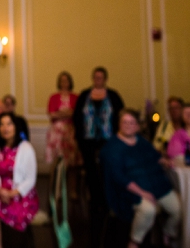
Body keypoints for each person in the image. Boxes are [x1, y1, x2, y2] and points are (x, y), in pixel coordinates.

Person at [102, 109, 180, 248]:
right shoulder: (112, 147)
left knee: (178, 209)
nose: (128, 125)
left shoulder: (142, 141)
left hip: (155, 184)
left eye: (132, 123)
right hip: (128, 190)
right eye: (124, 122)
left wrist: (165, 161)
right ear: (119, 124)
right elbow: (118, 177)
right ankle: (134, 242)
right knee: (148, 209)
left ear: (137, 126)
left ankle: (168, 231)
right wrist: (142, 193)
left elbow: (154, 156)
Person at [74, 66, 125, 244]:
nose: (98, 79)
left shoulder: (113, 95)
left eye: (101, 77)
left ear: (105, 79)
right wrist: (79, 139)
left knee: (107, 171)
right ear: (92, 78)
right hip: (88, 142)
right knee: (91, 172)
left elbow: (120, 116)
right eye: (95, 76)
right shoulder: (84, 95)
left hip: (108, 141)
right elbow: (77, 117)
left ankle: (107, 199)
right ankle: (94, 200)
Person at [0, 112, 39, 248]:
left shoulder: (26, 148)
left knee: (14, 217)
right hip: (0, 191)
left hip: (20, 194)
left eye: (9, 124)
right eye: (1, 124)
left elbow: (30, 179)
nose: (5, 128)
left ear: (15, 127)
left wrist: (12, 193)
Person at [45, 71, 81, 167]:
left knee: (71, 162)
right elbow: (52, 114)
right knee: (57, 161)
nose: (64, 83)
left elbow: (76, 113)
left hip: (71, 131)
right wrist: (67, 112)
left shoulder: (76, 97)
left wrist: (60, 113)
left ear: (70, 82)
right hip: (56, 133)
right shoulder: (53, 97)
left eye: (66, 81)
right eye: (62, 81)